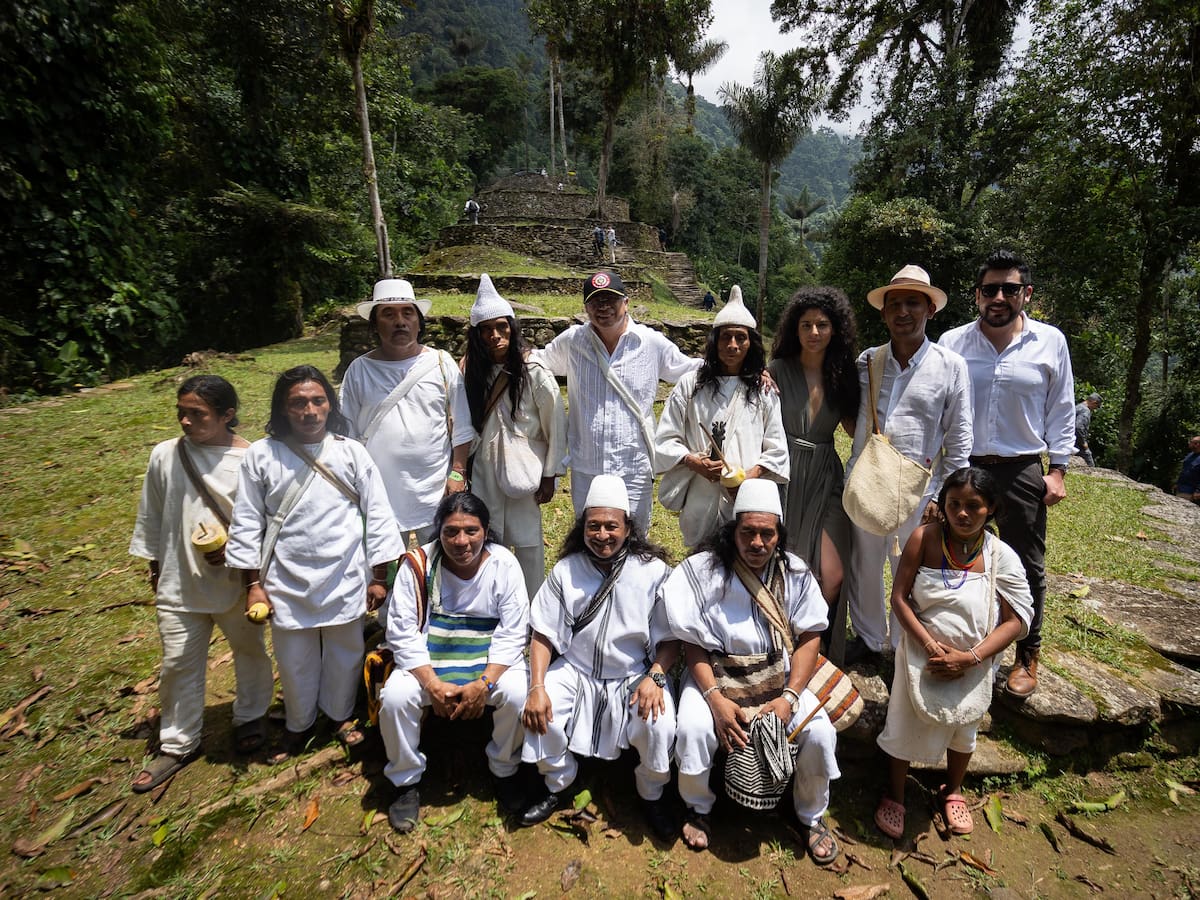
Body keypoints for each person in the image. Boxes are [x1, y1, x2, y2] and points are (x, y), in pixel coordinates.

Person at [226, 366, 403, 763]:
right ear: (283, 409)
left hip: (344, 573)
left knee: (345, 652)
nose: (309, 411)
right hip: (285, 579)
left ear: (330, 405)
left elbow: (378, 514)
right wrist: (253, 586)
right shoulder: (261, 455)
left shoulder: (350, 452)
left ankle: (339, 715)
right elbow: (247, 522)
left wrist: (379, 577)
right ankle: (299, 722)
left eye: (318, 401)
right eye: (298, 403)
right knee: (294, 660)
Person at [660, 480, 839, 864]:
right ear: (733, 530)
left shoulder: (795, 573)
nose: (757, 542)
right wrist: (714, 700)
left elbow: (811, 637)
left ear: (779, 534)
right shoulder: (703, 571)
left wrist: (789, 698)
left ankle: (810, 815)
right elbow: (692, 642)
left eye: (767, 534)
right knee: (692, 728)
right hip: (714, 677)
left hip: (778, 680)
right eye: (748, 532)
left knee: (821, 732)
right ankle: (698, 807)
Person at [940, 249, 1075, 697]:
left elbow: (1061, 407)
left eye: (1009, 289)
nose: (998, 297)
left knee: (1026, 565)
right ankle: (956, 640)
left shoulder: (1050, 342)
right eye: (989, 289)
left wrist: (1058, 470)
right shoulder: (953, 342)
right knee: (954, 558)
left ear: (1026, 294)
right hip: (965, 467)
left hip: (1021, 469)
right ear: (977, 295)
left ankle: (1027, 654)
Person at [128, 375, 273, 792]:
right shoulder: (165, 455)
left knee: (249, 651)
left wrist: (240, 556)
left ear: (227, 415)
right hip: (180, 580)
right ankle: (178, 742)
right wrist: (156, 567)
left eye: (198, 414)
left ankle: (250, 716)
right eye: (182, 413)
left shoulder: (250, 459)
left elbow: (264, 521)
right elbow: (153, 513)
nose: (186, 422)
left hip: (237, 581)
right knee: (178, 662)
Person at [873, 467, 1032, 840]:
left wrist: (970, 658)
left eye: (973, 506)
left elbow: (1015, 621)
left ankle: (953, 790)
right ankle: (896, 793)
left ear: (991, 509)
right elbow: (899, 598)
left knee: (964, 728)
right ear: (942, 505)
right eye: (954, 503)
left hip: (974, 662)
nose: (962, 513)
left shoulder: (1001, 556)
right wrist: (930, 646)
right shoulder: (924, 538)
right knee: (903, 723)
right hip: (920, 654)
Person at [520, 475, 677, 839]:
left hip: (634, 674)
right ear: (583, 527)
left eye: (611, 526)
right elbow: (542, 633)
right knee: (540, 709)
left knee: (659, 723)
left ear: (628, 528)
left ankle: (651, 794)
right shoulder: (566, 570)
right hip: (575, 670)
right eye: (594, 526)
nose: (602, 535)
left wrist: (655, 677)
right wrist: (537, 686)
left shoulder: (652, 572)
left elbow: (671, 637)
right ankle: (559, 782)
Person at [377, 493, 530, 833]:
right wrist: (432, 684)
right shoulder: (418, 565)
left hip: (488, 660)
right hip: (429, 661)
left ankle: (504, 769)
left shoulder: (504, 564)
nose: (461, 542)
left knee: (518, 693)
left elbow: (513, 632)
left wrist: (484, 684)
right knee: (396, 698)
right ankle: (405, 779)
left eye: (471, 531)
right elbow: (401, 632)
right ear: (439, 531)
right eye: (451, 532)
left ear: (486, 530)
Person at [844, 265, 973, 666]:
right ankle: (869, 639)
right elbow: (855, 421)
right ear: (883, 313)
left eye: (913, 303)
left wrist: (943, 496)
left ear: (930, 310)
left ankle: (903, 647)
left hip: (922, 492)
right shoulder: (869, 361)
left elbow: (959, 439)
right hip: (869, 482)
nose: (903, 312)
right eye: (894, 304)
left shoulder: (951, 366)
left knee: (912, 569)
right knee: (864, 565)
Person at [532, 271, 699, 532]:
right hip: (587, 465)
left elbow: (691, 369)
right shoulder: (573, 341)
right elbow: (537, 359)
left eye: (610, 299)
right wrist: (478, 357)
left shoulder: (650, 343)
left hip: (633, 466)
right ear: (586, 307)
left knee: (635, 537)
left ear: (626, 303)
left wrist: (752, 369)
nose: (603, 307)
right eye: (595, 301)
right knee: (590, 536)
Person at [340, 278, 475, 549]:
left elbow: (462, 425)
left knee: (437, 565)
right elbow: (346, 434)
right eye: (388, 314)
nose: (400, 322)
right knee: (384, 567)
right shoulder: (359, 370)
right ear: (375, 325)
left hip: (434, 492)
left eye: (407, 313)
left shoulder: (440, 363)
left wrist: (457, 474)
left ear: (419, 322)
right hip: (378, 494)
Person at [654, 285, 788, 548]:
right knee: (700, 561)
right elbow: (666, 438)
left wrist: (748, 479)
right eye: (726, 337)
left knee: (743, 560)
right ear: (715, 342)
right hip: (700, 500)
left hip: (745, 500)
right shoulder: (690, 385)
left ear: (751, 344)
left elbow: (777, 449)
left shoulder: (763, 390)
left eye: (740, 338)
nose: (732, 345)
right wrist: (693, 462)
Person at [767, 287, 860, 664]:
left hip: (825, 474)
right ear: (795, 328)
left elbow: (856, 428)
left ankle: (809, 642)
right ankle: (781, 644)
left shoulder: (843, 374)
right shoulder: (777, 369)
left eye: (822, 324)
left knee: (832, 574)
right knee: (784, 565)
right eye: (806, 325)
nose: (814, 332)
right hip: (783, 472)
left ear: (835, 329)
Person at [461, 273, 567, 598]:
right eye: (486, 330)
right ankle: (493, 603)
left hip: (524, 470)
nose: (495, 336)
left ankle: (533, 607)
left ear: (511, 327)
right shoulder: (469, 373)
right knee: (488, 540)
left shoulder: (534, 371)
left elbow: (555, 425)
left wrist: (550, 475)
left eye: (501, 327)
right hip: (484, 471)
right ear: (478, 335)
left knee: (528, 544)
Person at [1074, 393, 1101, 466]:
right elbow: (1078, 427)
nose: (1095, 409)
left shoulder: (1078, 407)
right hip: (1076, 441)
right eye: (1096, 406)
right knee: (1089, 462)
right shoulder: (1085, 410)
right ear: (1094, 402)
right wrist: (1083, 442)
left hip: (1069, 438)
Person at [1175, 435, 1200, 502]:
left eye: (1192, 442)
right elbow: (1184, 470)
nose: (1190, 444)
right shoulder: (1190, 455)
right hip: (1181, 489)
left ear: (1197, 444)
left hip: (1192, 492)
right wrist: (1177, 483)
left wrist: (1198, 491)